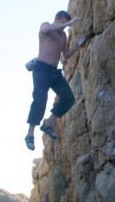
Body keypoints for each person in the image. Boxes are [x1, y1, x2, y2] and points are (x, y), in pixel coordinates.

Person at [25, 10, 85, 150]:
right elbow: (46, 28)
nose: (65, 27)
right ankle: (30, 134)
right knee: (40, 100)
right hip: (41, 69)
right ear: (57, 19)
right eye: (63, 23)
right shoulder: (46, 27)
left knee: (69, 98)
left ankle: (47, 124)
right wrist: (69, 23)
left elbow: (66, 54)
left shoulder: (63, 35)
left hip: (54, 72)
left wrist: (76, 45)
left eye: (66, 25)